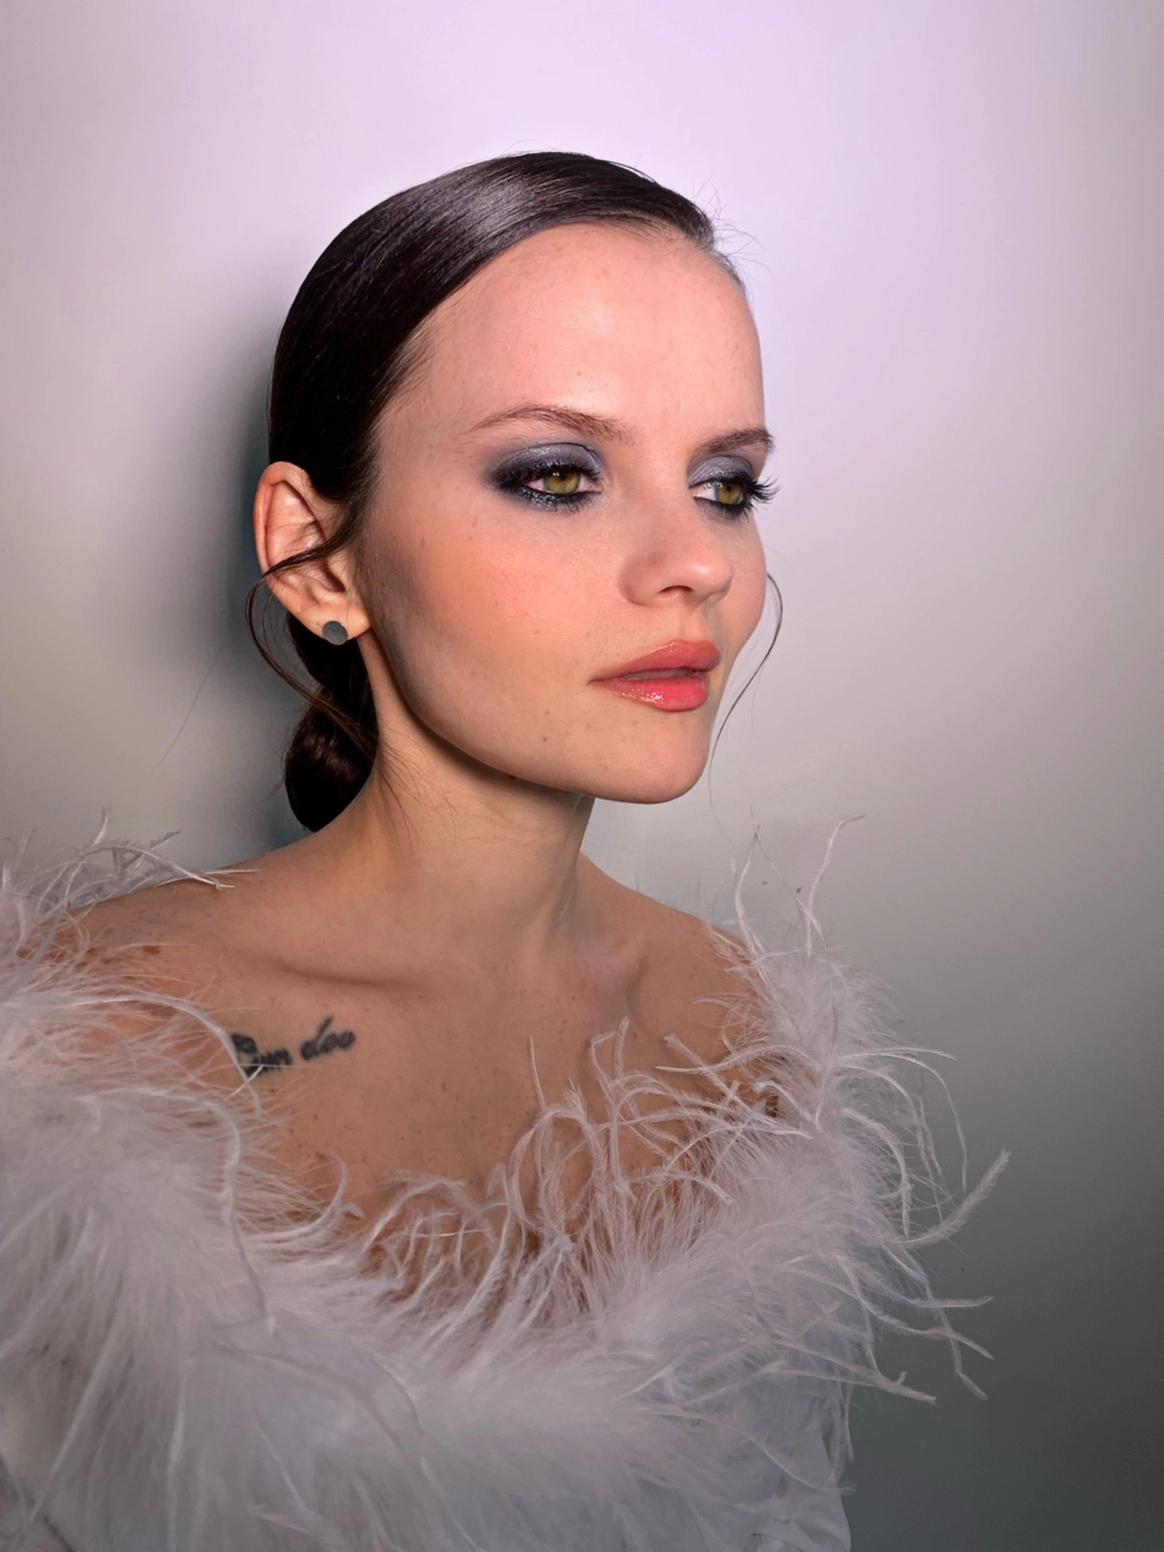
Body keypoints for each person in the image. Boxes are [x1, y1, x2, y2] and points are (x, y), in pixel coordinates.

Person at [0, 151, 993, 1552]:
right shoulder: (69, 1084)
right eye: (558, 475)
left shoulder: (754, 1048)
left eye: (727, 486)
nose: (698, 564)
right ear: (316, 557)